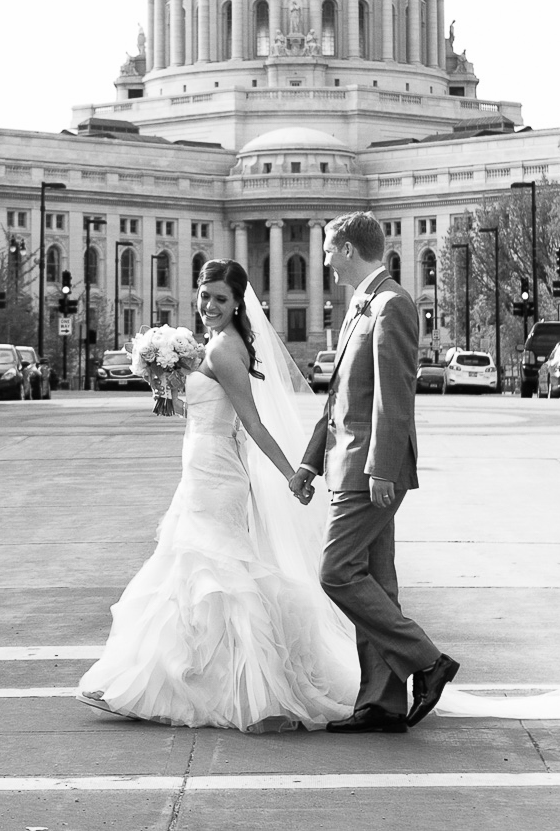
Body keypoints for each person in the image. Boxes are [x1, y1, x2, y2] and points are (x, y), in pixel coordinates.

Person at [77, 259, 357, 731]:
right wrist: (165, 389)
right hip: (200, 466)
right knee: (191, 573)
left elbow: (251, 422)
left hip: (217, 475)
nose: (209, 305)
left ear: (237, 303)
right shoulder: (214, 344)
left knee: (208, 571)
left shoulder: (226, 349)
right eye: (205, 296)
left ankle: (223, 689)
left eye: (220, 299)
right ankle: (176, 677)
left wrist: (293, 475)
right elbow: (207, 409)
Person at [293, 212, 458, 733]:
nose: (322, 259)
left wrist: (383, 466)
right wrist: (309, 460)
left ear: (345, 249)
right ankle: (383, 704)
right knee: (378, 585)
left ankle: (428, 661)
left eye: (326, 249)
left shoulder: (392, 304)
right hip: (348, 463)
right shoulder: (358, 307)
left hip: (369, 471)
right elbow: (339, 398)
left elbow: (394, 395)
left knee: (336, 572)